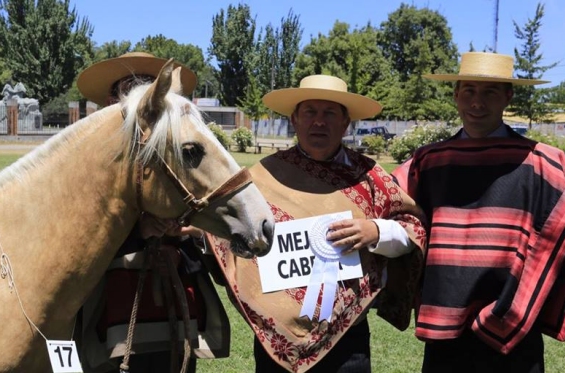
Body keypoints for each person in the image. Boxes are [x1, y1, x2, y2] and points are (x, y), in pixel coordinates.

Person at [204, 74, 427, 373]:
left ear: (345, 123)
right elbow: (226, 230)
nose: (318, 122)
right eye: (310, 112)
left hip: (349, 341)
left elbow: (413, 227)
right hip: (275, 345)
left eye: (329, 113)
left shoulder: (370, 177)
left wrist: (376, 231)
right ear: (295, 120)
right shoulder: (263, 176)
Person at [392, 51, 565, 372]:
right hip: (445, 322)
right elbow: (389, 207)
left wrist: (531, 280)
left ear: (508, 97)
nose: (477, 102)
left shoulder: (543, 163)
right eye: (469, 91)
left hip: (516, 324)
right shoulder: (428, 161)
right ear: (456, 95)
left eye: (490, 92)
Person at [75, 51, 230, 373]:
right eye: (131, 89)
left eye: (150, 89)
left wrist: (190, 235)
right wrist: (137, 232)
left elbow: (204, 213)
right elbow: (75, 235)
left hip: (173, 304)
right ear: (112, 100)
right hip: (108, 305)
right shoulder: (87, 162)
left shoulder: (178, 156)